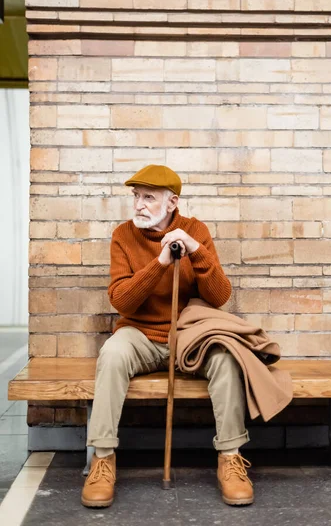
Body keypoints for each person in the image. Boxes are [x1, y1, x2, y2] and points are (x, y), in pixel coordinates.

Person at [81, 164, 253, 508]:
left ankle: (230, 459)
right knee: (112, 353)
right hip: (139, 335)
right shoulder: (123, 235)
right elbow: (121, 300)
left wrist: (195, 249)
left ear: (172, 202)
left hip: (187, 337)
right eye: (136, 197)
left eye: (149, 197)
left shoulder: (195, 230)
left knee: (225, 358)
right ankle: (102, 459)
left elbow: (220, 297)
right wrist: (159, 262)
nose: (139, 205)